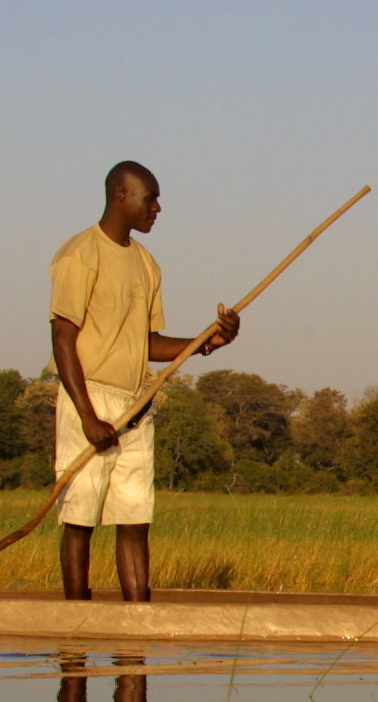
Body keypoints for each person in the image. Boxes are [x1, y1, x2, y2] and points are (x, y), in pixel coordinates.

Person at [50, 161, 241, 601]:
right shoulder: (80, 254)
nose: (157, 207)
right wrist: (87, 418)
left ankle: (137, 622)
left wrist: (207, 341)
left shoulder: (146, 264)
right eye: (149, 198)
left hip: (137, 403)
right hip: (90, 398)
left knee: (134, 519)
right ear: (121, 194)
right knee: (80, 519)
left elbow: (149, 342)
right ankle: (77, 622)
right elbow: (63, 338)